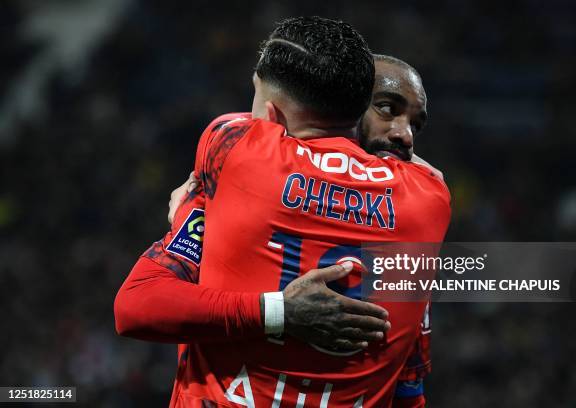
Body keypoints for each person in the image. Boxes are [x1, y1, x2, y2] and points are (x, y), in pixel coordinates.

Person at [115, 17, 450, 407]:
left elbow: (135, 306)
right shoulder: (429, 198)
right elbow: (410, 395)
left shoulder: (233, 146)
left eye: (415, 124)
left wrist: (195, 206)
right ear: (353, 111)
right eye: (387, 108)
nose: (403, 135)